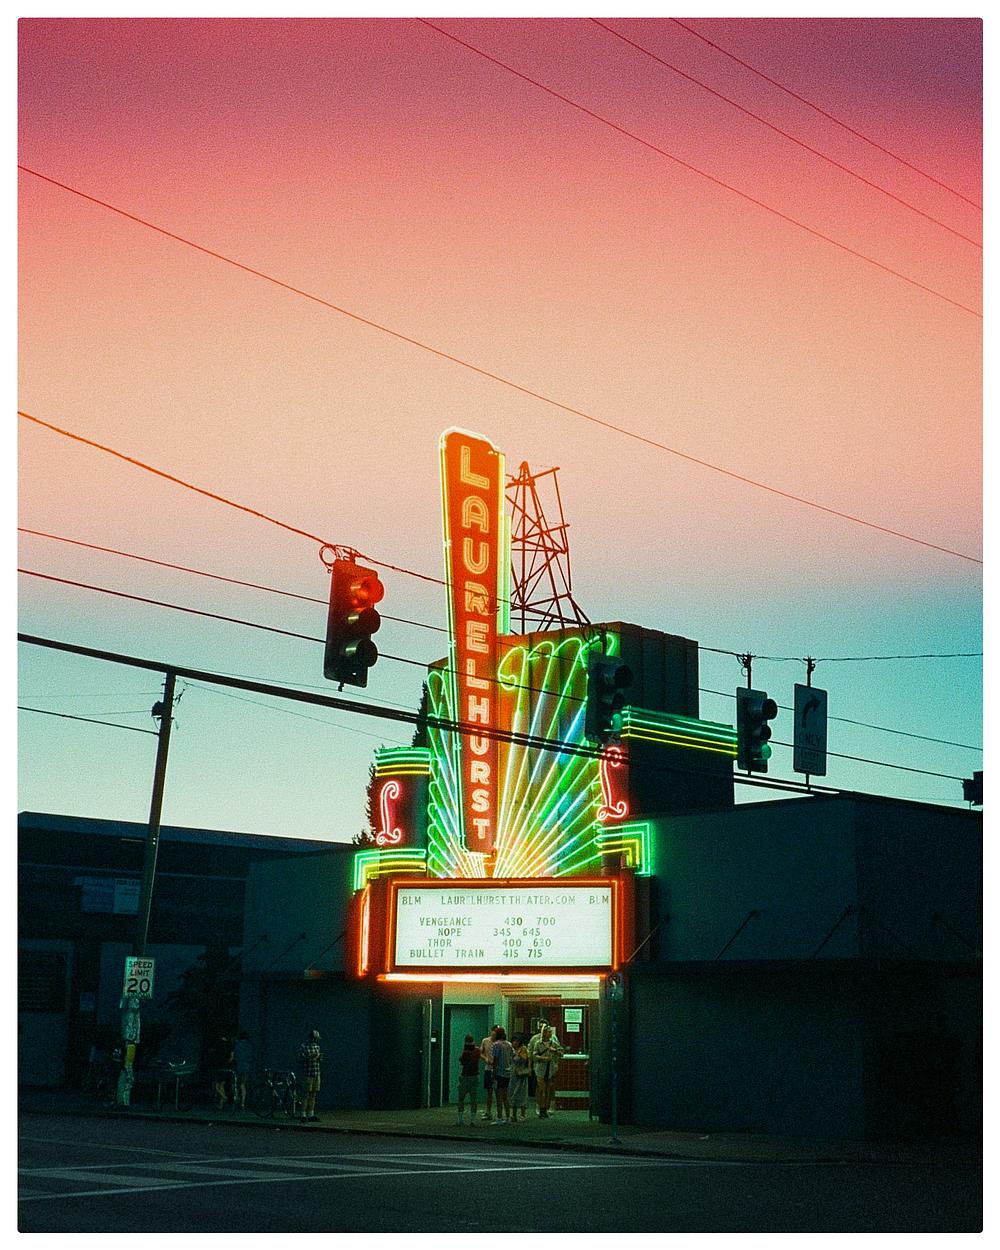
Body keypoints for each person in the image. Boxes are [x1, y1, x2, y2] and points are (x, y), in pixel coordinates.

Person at [530, 1023, 564, 1118]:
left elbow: (562, 1052)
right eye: (549, 1032)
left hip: (550, 1068)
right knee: (541, 1089)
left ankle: (545, 1108)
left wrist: (555, 1051)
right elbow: (534, 1055)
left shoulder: (553, 1043)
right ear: (544, 1033)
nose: (550, 1033)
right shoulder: (538, 1043)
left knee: (548, 1089)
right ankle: (541, 1107)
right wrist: (543, 1058)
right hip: (540, 1068)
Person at [455, 1033, 481, 1126]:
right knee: (473, 1100)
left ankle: (460, 1119)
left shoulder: (465, 1052)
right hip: (474, 1076)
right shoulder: (477, 1050)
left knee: (461, 1099)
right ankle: (472, 1120)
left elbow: (462, 1061)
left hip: (465, 1076)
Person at [490, 1027, 514, 1124]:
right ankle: (508, 1117)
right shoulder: (509, 1044)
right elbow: (512, 1056)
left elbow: (495, 1060)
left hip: (499, 1073)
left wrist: (493, 1073)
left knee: (498, 1096)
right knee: (505, 1096)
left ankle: (499, 1117)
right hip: (507, 1073)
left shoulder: (496, 1045)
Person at [299, 1028, 322, 1122]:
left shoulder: (317, 1047)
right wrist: (309, 1057)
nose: (316, 1040)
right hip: (308, 1073)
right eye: (315, 1038)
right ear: (311, 1038)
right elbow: (300, 1059)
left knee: (313, 1093)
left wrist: (319, 1058)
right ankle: (303, 1114)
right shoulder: (304, 1046)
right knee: (306, 1094)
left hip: (316, 1072)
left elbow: (319, 1060)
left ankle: (311, 1114)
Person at [508, 1033, 530, 1122]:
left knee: (521, 1093)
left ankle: (522, 1114)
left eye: (517, 1041)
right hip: (513, 1073)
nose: (515, 1043)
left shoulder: (523, 1049)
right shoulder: (511, 1049)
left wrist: (519, 1054)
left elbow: (525, 1059)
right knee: (513, 1092)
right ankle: (513, 1115)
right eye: (513, 1041)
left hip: (521, 1073)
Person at [479, 1024, 499, 1121]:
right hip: (488, 1068)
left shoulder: (500, 1043)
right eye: (494, 1031)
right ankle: (488, 1112)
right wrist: (485, 1059)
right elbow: (480, 1053)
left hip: (498, 1070)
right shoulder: (485, 1041)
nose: (495, 1033)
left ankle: (499, 1113)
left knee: (499, 1092)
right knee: (489, 1091)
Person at [210, 1033, 234, 1110]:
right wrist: (227, 1063)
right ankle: (221, 1104)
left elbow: (212, 1053)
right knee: (222, 1085)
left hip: (218, 1066)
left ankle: (224, 1097)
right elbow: (231, 1057)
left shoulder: (217, 1044)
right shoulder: (229, 1045)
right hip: (225, 1066)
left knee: (216, 1086)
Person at [233, 1030, 253, 1111]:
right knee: (243, 1084)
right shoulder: (249, 1045)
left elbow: (235, 1056)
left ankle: (237, 1098)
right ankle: (243, 1103)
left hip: (238, 1066)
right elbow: (250, 1057)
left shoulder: (237, 1045)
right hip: (246, 1067)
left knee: (235, 1083)